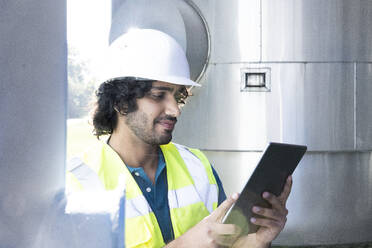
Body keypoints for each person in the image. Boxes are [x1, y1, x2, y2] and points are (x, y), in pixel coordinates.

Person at [66, 29, 291, 248]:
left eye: (177, 96)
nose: (175, 110)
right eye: (158, 96)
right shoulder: (79, 183)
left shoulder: (198, 166)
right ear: (121, 102)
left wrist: (255, 243)